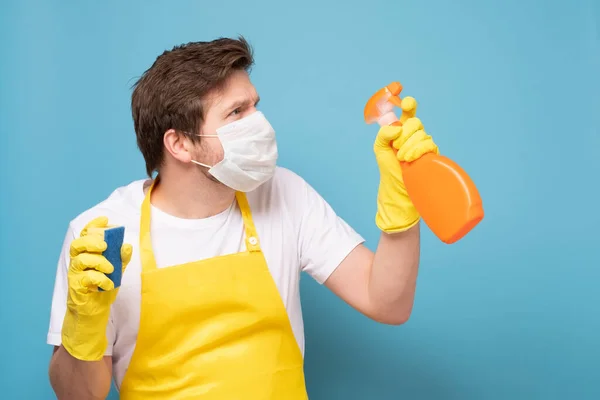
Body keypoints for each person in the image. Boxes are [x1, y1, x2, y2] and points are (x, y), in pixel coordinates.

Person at [46, 36, 439, 399]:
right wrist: (83, 327)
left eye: (255, 106)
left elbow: (387, 303)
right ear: (179, 143)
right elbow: (79, 396)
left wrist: (402, 207)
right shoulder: (102, 235)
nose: (260, 124)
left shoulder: (284, 194)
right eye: (236, 112)